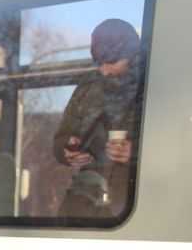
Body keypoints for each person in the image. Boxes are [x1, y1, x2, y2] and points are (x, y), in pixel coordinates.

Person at [53, 18, 144, 217]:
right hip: (84, 201)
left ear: (132, 55)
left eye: (111, 62)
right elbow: (61, 137)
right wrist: (66, 150)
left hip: (135, 205)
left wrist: (137, 152)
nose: (104, 70)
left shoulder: (152, 85)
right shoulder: (87, 86)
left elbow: (181, 146)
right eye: (99, 62)